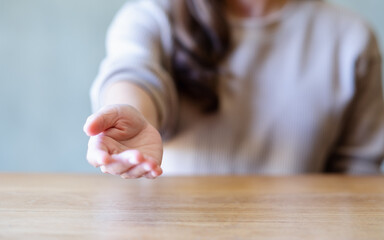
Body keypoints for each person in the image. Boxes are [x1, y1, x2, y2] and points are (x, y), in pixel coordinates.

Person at [83, 0, 384, 179]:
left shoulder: (350, 38)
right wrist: (129, 114)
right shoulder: (153, 14)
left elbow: (356, 176)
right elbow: (134, 71)